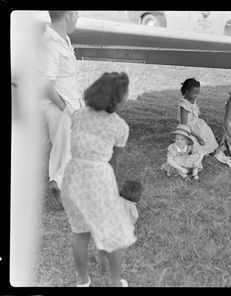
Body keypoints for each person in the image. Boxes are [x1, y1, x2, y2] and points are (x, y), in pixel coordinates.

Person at [61, 72, 135, 287]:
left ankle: (82, 281)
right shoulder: (120, 126)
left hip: (73, 177)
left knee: (79, 232)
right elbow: (113, 163)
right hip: (98, 179)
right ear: (116, 98)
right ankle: (114, 282)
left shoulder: (78, 115)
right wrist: (112, 190)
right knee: (113, 233)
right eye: (125, 93)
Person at [38, 11, 83, 204]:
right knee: (67, 151)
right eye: (76, 13)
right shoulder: (49, 44)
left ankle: (63, 187)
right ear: (68, 15)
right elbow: (45, 85)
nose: (78, 17)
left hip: (69, 105)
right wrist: (65, 109)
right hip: (60, 108)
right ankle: (60, 186)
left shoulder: (63, 39)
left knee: (69, 150)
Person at [177, 78, 231, 168]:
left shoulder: (193, 100)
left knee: (207, 133)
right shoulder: (184, 105)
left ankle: (210, 149)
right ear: (186, 92)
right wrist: (197, 136)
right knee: (197, 143)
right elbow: (184, 125)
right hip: (188, 129)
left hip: (197, 124)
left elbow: (195, 116)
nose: (196, 96)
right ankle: (200, 152)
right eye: (194, 93)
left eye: (197, 93)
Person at [96, 179, 142, 275]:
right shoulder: (132, 209)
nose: (140, 197)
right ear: (136, 197)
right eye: (139, 195)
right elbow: (133, 220)